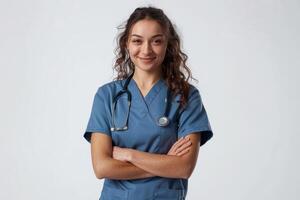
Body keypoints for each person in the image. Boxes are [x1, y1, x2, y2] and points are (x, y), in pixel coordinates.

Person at [83, 6, 213, 200]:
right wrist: (165, 163)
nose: (146, 50)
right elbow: (102, 167)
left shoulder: (186, 96)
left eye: (156, 41)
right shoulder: (107, 96)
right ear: (126, 43)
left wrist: (129, 155)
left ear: (168, 45)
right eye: (137, 41)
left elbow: (184, 167)